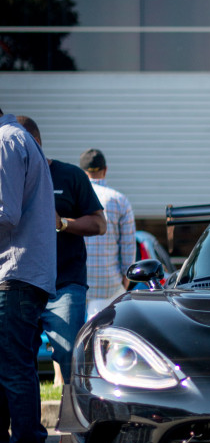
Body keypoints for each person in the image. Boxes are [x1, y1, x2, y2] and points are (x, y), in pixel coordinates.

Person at [16, 117, 106, 387]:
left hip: (64, 284)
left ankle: (76, 423)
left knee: (69, 356)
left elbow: (99, 224)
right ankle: (26, 427)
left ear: (34, 143)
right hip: (21, 284)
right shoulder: (8, 177)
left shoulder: (70, 176)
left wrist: (63, 223)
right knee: (18, 361)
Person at [0, 107, 56, 443]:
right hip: (25, 274)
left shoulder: (5, 141)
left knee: (13, 372)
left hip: (13, 273)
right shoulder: (19, 138)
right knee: (17, 369)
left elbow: (5, 214)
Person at [80, 149, 136, 319]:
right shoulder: (119, 200)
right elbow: (128, 248)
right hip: (109, 289)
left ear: (82, 172)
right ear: (105, 170)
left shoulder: (76, 198)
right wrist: (125, 282)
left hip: (76, 287)